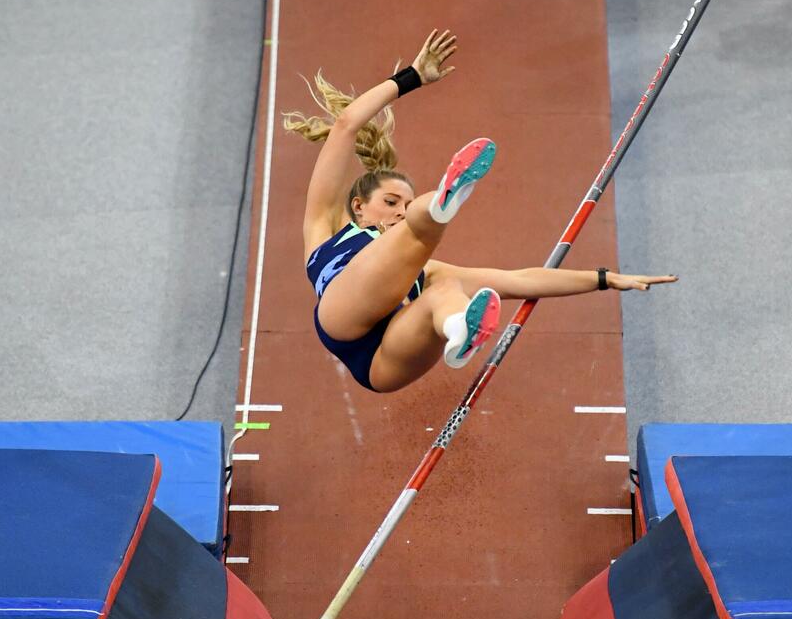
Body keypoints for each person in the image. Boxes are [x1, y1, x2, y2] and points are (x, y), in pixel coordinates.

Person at [284, 29, 677, 393]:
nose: (399, 211)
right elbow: (346, 125)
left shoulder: (427, 271)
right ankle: (441, 203)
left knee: (446, 290)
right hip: (341, 317)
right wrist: (412, 77)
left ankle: (459, 332)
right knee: (420, 231)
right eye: (390, 203)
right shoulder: (324, 229)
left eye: (405, 203)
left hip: (382, 365)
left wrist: (605, 278)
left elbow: (518, 280)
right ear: (358, 207)